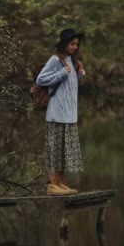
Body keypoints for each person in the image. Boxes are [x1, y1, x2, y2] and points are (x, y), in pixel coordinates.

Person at [36, 29, 86, 196]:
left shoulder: (72, 61)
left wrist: (78, 73)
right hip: (56, 114)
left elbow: (69, 85)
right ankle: (52, 184)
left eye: (76, 44)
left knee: (64, 152)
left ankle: (61, 183)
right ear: (64, 44)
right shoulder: (55, 60)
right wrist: (60, 73)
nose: (74, 47)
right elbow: (40, 79)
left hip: (70, 116)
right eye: (72, 44)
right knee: (54, 150)